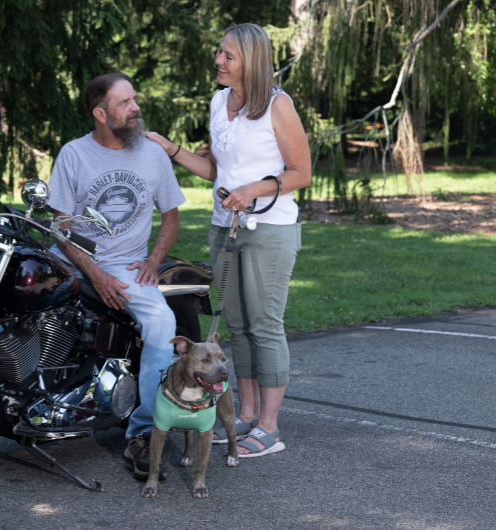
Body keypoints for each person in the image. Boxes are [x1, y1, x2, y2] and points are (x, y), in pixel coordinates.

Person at [146, 23, 311, 457]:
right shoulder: (219, 102)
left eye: (228, 56)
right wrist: (171, 149)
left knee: (265, 326)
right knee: (236, 327)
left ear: (251, 62)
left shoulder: (278, 105)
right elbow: (216, 170)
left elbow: (301, 173)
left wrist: (252, 190)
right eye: (219, 53)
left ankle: (269, 427)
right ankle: (244, 415)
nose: (218, 61)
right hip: (225, 227)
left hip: (270, 229)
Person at [47, 72, 186, 479]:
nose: (135, 108)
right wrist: (94, 272)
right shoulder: (74, 154)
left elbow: (171, 217)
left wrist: (152, 259)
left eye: (134, 99)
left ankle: (143, 434)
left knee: (162, 322)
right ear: (100, 113)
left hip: (127, 265)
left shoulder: (153, 154)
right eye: (125, 103)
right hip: (72, 258)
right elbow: (60, 229)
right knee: (9, 298)